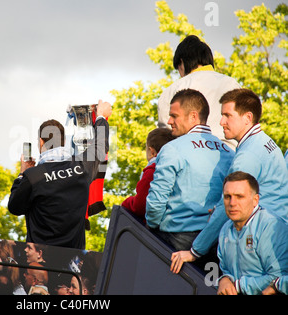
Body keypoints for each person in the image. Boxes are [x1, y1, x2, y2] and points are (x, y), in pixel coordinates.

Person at [171, 89, 288, 273]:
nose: (221, 122)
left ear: (247, 118)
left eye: (227, 115)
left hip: (259, 247)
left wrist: (194, 251)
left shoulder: (247, 157)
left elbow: (232, 207)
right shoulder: (265, 141)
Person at [8, 100, 112, 249]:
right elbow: (100, 146)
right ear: (63, 142)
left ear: (40, 141)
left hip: (39, 262)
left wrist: (22, 174)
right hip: (72, 262)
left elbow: (14, 207)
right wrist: (100, 116)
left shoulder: (33, 176)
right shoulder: (81, 167)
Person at [146, 89, 234, 252]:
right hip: (217, 240)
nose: (169, 121)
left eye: (174, 116)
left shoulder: (172, 148)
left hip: (175, 239)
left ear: (193, 116)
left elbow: (156, 204)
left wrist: (151, 225)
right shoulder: (229, 152)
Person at [157, 35, 241, 149]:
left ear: (181, 63)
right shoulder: (232, 84)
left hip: (188, 154)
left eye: (178, 70)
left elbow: (166, 132)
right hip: (229, 153)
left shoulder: (175, 88)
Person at [216, 171, 288, 295]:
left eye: (239, 196)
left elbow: (279, 278)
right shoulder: (225, 230)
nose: (232, 203)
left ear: (255, 200)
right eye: (228, 196)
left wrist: (238, 285)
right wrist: (224, 279)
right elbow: (226, 269)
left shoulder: (270, 227)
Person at [121, 127, 176, 222]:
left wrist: (127, 202)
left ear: (152, 151)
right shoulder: (177, 165)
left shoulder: (153, 169)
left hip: (156, 228)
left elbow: (140, 205)